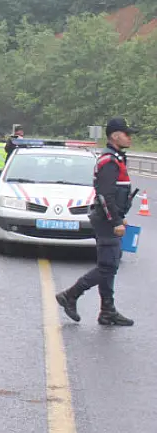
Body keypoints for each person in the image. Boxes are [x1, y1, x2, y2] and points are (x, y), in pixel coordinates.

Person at [56, 117, 137, 327]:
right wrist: (116, 221)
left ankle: (107, 311)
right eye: (126, 133)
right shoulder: (109, 161)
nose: (130, 137)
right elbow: (105, 196)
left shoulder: (117, 158)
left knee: (109, 265)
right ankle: (70, 295)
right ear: (114, 135)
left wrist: (120, 216)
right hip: (106, 221)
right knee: (107, 266)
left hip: (108, 219)